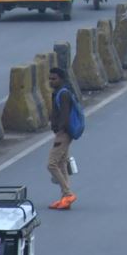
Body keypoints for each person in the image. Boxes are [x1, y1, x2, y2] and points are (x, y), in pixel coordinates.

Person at [47, 67, 77, 210]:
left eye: (54, 79)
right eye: (50, 78)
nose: (51, 81)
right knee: (62, 164)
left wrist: (60, 130)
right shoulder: (60, 92)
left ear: (61, 79)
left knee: (51, 164)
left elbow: (64, 116)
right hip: (63, 133)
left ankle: (68, 194)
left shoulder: (63, 94)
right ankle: (65, 199)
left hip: (63, 134)